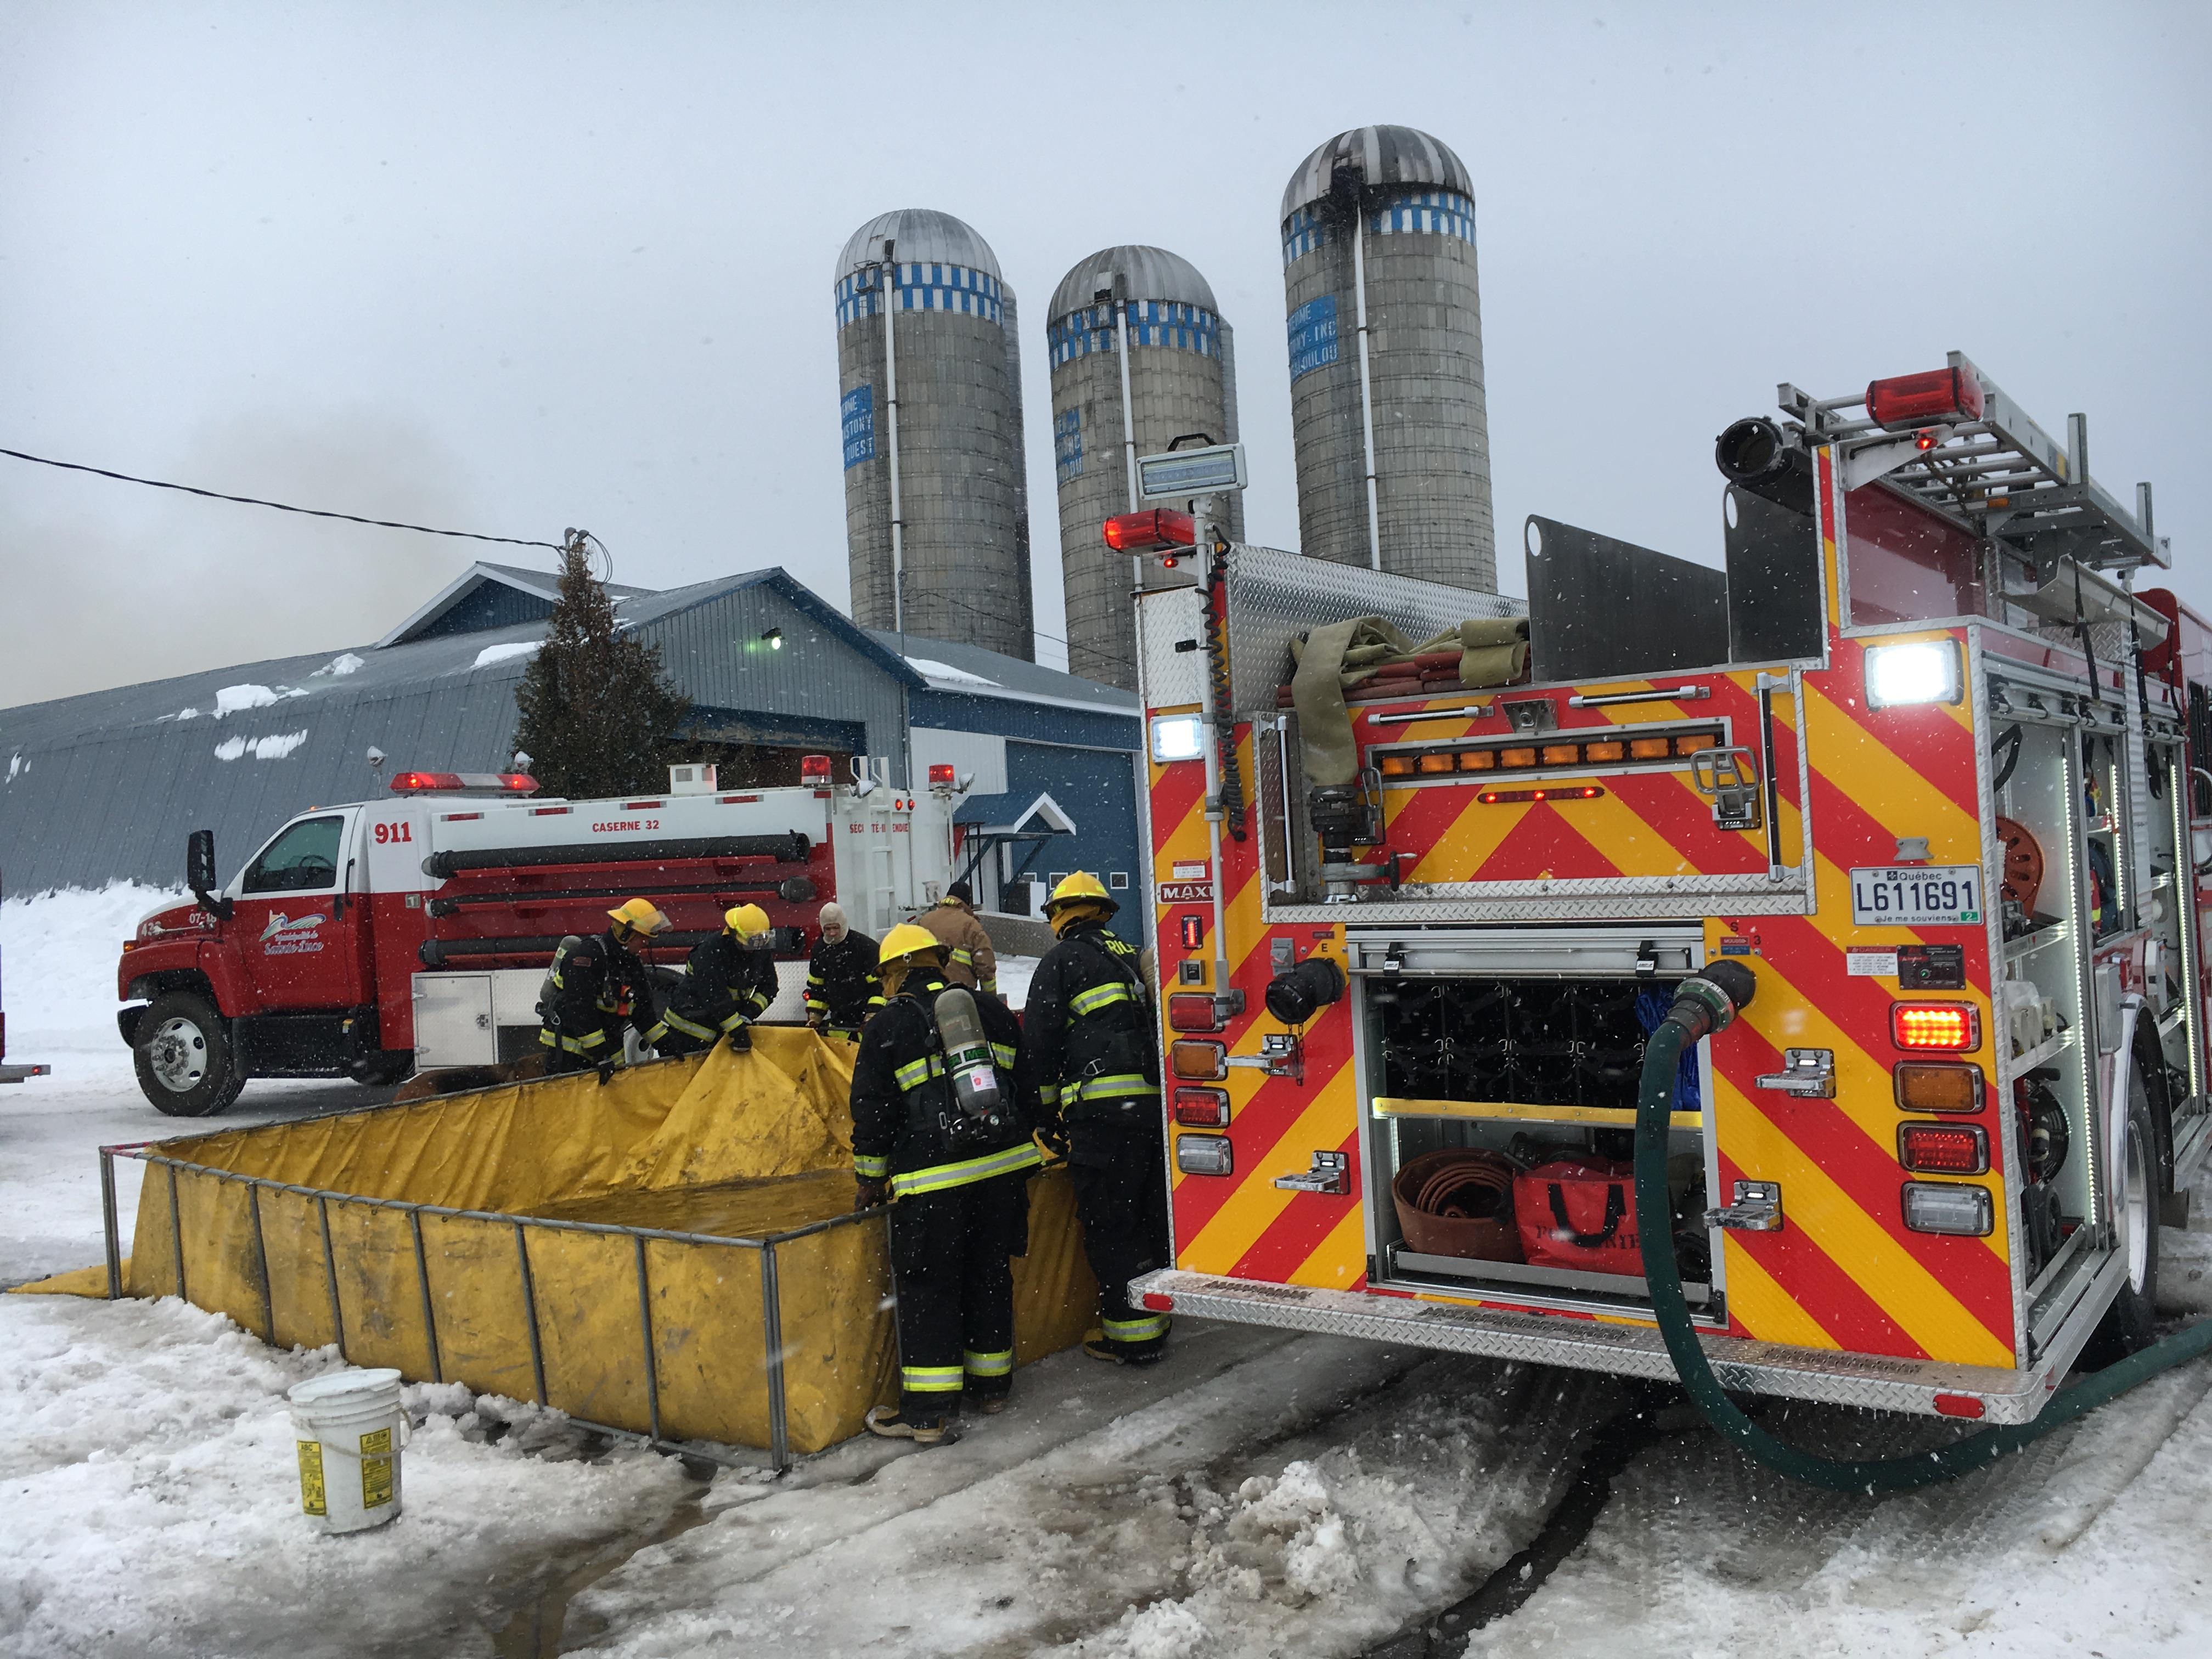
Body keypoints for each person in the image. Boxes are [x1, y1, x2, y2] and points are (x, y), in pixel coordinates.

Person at [851, 922, 1039, 1444]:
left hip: (934, 1183)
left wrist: (869, 1181)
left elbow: (872, 1113)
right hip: (1001, 1174)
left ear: (896, 972)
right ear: (937, 961)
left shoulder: (888, 1025)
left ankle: (926, 1416)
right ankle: (992, 1387)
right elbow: (1027, 1086)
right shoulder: (992, 1011)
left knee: (929, 1290)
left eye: (885, 976)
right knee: (989, 1275)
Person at [1023, 872, 1170, 1366]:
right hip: (1151, 1113)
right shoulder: (1130, 957)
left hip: (1102, 1119)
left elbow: (1039, 1044)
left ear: (1059, 915)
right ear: (1102, 911)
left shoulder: (1062, 960)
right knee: (1150, 1218)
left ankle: (1133, 1337)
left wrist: (1044, 1114)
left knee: (1111, 1224)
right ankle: (1158, 1316)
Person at [538, 899, 668, 1077]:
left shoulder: (631, 965)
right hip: (569, 1052)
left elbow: (643, 1013)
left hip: (606, 1052)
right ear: (626, 933)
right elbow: (581, 1010)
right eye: (642, 937)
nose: (645, 943)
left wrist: (667, 1045)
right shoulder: (586, 958)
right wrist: (600, 1056)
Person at [646, 903, 779, 1056]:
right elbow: (716, 996)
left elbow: (769, 987)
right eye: (750, 945)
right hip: (689, 1029)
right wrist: (737, 1030)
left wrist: (748, 1013)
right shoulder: (710, 953)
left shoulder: (760, 950)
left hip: (722, 1029)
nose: (755, 950)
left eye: (760, 944)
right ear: (735, 935)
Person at [804, 902, 882, 1038]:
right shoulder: (819, 950)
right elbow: (818, 990)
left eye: (836, 928)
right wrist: (814, 1018)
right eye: (828, 929)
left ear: (843, 924)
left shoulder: (866, 948)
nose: (832, 933)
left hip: (868, 1027)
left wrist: (871, 1017)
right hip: (839, 1025)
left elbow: (879, 988)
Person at [915, 880, 997, 995]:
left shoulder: (924, 921)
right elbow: (985, 966)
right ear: (968, 902)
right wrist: (990, 998)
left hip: (927, 993)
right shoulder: (971, 925)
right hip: (960, 995)